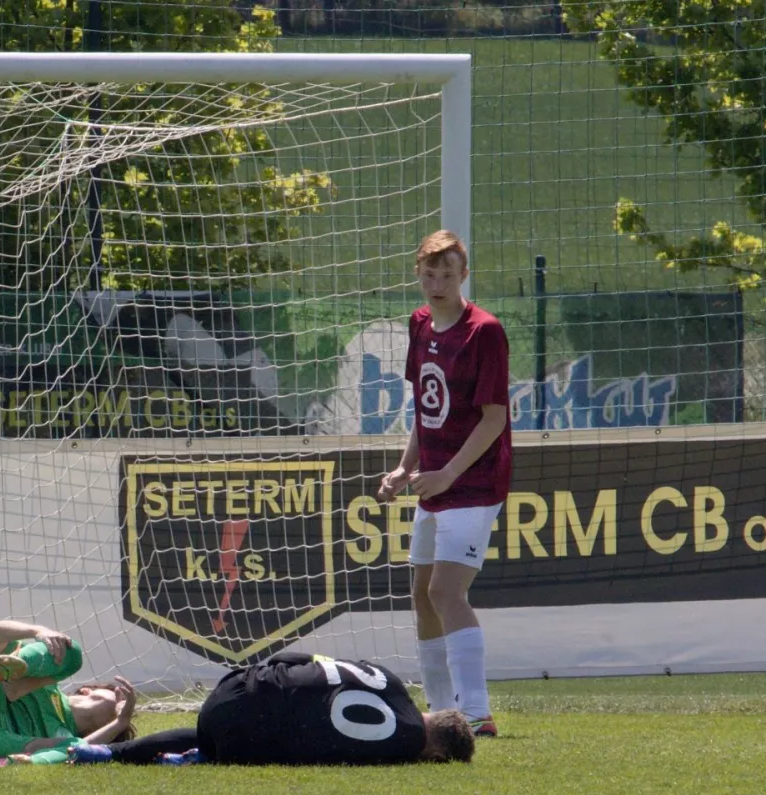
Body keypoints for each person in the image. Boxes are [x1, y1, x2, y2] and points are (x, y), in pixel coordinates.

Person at [376, 230, 512, 738]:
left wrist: (448, 473)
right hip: (432, 484)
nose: (437, 284)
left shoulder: (485, 332)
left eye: (447, 275)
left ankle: (476, 712)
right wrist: (403, 468)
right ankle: (438, 712)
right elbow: (425, 410)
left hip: (473, 485)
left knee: (445, 591)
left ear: (464, 276)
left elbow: (494, 418)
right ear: (418, 273)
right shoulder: (419, 324)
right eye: (429, 274)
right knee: (422, 595)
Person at [43, 652, 473, 767]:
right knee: (236, 741)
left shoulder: (388, 678)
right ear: (437, 755)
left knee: (224, 729)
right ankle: (191, 758)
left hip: (233, 688)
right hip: (242, 739)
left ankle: (105, 752)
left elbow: (299, 658)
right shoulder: (401, 748)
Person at [0, 620, 137, 763]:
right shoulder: (47, 680)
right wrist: (37, 631)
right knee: (72, 653)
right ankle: (10, 675)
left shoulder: (65, 738)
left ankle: (19, 760)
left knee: (73, 751)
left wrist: (120, 722)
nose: (124, 703)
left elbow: (83, 749)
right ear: (87, 690)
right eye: (119, 694)